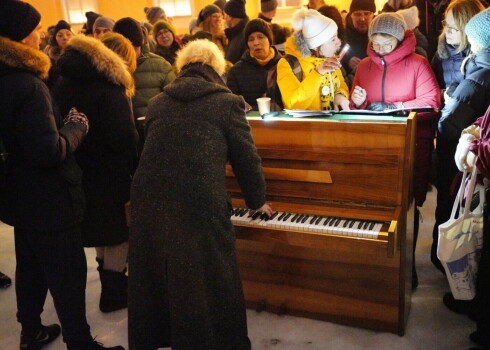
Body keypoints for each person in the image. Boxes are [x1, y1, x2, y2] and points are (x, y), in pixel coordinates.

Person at [128, 39, 272, 350]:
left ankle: (165, 337)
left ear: (182, 68)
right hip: (198, 201)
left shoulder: (157, 102)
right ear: (217, 69)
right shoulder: (228, 102)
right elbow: (247, 159)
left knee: (161, 277)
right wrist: (257, 201)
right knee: (212, 277)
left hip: (149, 201)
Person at [0, 1, 124, 349]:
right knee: (67, 275)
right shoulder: (29, 84)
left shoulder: (6, 77)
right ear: (23, 37)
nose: (42, 34)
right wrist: (75, 128)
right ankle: (80, 342)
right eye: (36, 28)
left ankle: (31, 331)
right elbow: (49, 151)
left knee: (31, 269)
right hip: (49, 200)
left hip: (18, 197)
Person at [350, 13, 440, 288]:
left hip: (411, 145)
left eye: (386, 43)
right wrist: (358, 102)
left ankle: (407, 266)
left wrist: (394, 108)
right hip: (376, 148)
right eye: (375, 43)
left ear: (399, 38)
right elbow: (356, 109)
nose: (380, 49)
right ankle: (381, 266)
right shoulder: (364, 66)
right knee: (378, 206)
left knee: (408, 208)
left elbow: (431, 102)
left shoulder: (418, 63)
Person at [52, 33, 139, 313]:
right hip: (110, 172)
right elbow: (123, 137)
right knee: (118, 231)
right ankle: (114, 293)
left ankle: (109, 285)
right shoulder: (110, 86)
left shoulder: (63, 81)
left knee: (100, 229)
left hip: (76, 170)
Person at [436, 6, 490, 281]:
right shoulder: (470, 64)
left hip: (468, 159)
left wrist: (449, 104)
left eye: (456, 27)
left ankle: (462, 283)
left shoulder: (480, 73)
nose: (448, 33)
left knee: (463, 220)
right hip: (464, 157)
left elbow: (449, 124)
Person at [277, 9, 350, 111]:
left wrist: (340, 95)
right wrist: (317, 73)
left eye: (337, 36)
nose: (339, 42)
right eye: (333, 39)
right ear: (316, 46)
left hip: (331, 124)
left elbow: (341, 84)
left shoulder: (329, 57)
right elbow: (293, 104)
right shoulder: (288, 63)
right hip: (306, 126)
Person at [227, 19, 283, 110]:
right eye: (251, 39)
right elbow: (233, 105)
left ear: (269, 40)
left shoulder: (284, 65)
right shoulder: (236, 72)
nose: (256, 43)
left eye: (261, 37)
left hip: (283, 121)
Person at [431, 0, 485, 95]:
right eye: (446, 25)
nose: (447, 31)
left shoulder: (481, 59)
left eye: (454, 28)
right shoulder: (441, 54)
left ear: (468, 29)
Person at [342, 0, 376, 76]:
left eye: (366, 14)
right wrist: (347, 61)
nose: (362, 19)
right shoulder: (341, 36)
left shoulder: (380, 35)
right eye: (357, 14)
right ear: (351, 15)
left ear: (373, 15)